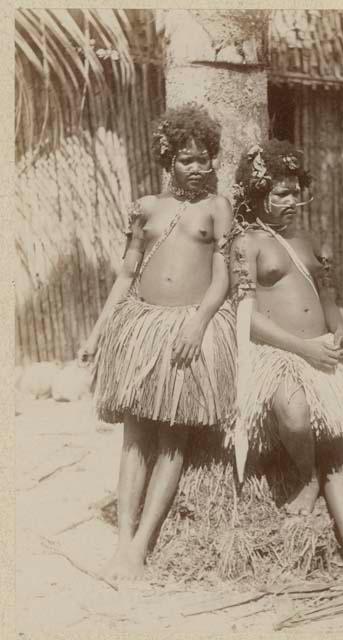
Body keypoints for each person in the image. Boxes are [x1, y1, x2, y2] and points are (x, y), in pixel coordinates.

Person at [229, 140, 343, 577]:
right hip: (280, 353)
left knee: (336, 449)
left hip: (323, 348)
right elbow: (244, 315)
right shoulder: (246, 244)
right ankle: (305, 476)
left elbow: (327, 295)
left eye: (296, 192)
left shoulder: (308, 241)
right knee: (294, 414)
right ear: (258, 193)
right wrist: (302, 347)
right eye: (281, 193)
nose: (292, 202)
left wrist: (341, 328)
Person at [78, 104, 235, 580]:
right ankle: (123, 543)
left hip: (188, 330)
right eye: (187, 159)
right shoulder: (145, 208)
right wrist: (99, 331)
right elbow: (127, 273)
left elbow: (223, 277)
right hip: (141, 327)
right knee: (134, 437)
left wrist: (199, 323)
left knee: (173, 439)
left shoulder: (218, 208)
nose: (198, 166)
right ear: (169, 160)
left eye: (204, 157)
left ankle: (142, 546)